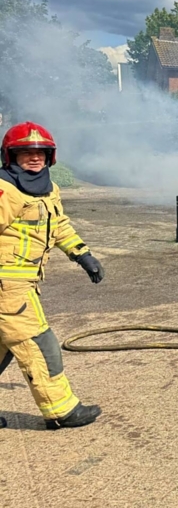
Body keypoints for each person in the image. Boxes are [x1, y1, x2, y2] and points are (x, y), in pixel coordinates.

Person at [0, 121, 104, 429]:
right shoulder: (5, 190)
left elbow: (58, 225)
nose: (34, 158)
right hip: (9, 288)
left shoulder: (49, 189)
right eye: (26, 153)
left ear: (50, 157)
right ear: (11, 157)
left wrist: (82, 254)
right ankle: (61, 411)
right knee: (39, 345)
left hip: (22, 284)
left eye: (41, 153)